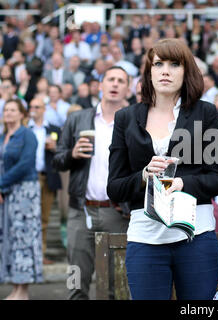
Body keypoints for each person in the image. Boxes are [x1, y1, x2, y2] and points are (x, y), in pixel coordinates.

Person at [107, 38, 218, 300]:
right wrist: (143, 176)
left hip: (196, 234)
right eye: (158, 64)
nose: (165, 70)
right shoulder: (125, 118)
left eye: (175, 64)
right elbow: (114, 187)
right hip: (145, 238)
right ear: (149, 71)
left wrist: (184, 183)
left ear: (187, 71)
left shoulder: (205, 112)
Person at [52, 66, 131, 300]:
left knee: (117, 285)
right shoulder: (78, 119)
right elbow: (57, 161)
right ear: (101, 84)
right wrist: (72, 154)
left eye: (121, 80)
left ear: (127, 88)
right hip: (81, 211)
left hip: (117, 212)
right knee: (75, 281)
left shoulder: (133, 120)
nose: (115, 84)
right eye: (111, 79)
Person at [0, 99, 42, 300]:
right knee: (10, 238)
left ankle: (23, 291)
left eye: (12, 110)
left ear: (21, 114)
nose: (8, 113)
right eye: (6, 110)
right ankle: (16, 287)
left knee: (24, 238)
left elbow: (25, 164)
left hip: (25, 191)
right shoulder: (2, 137)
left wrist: (0, 184)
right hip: (7, 192)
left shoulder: (27, 135)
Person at [28, 97, 62, 265]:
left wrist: (55, 147)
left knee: (44, 219)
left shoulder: (54, 129)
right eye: (31, 106)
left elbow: (63, 151)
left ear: (43, 109)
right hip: (27, 179)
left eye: (37, 107)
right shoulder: (25, 129)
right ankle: (28, 255)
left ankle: (40, 254)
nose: (33, 109)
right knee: (27, 217)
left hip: (46, 177)